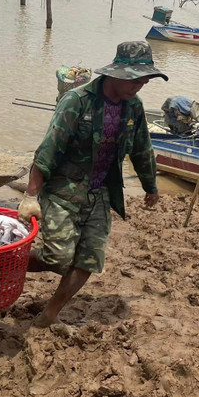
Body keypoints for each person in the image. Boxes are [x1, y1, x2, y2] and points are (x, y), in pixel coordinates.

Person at [19, 40, 165, 326]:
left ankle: (50, 313)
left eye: (144, 81)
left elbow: (141, 148)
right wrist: (31, 195)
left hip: (100, 193)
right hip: (63, 191)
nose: (140, 85)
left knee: (89, 259)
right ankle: (9, 264)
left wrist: (150, 186)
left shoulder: (133, 107)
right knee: (57, 258)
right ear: (117, 73)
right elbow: (48, 149)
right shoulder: (76, 101)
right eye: (136, 79)